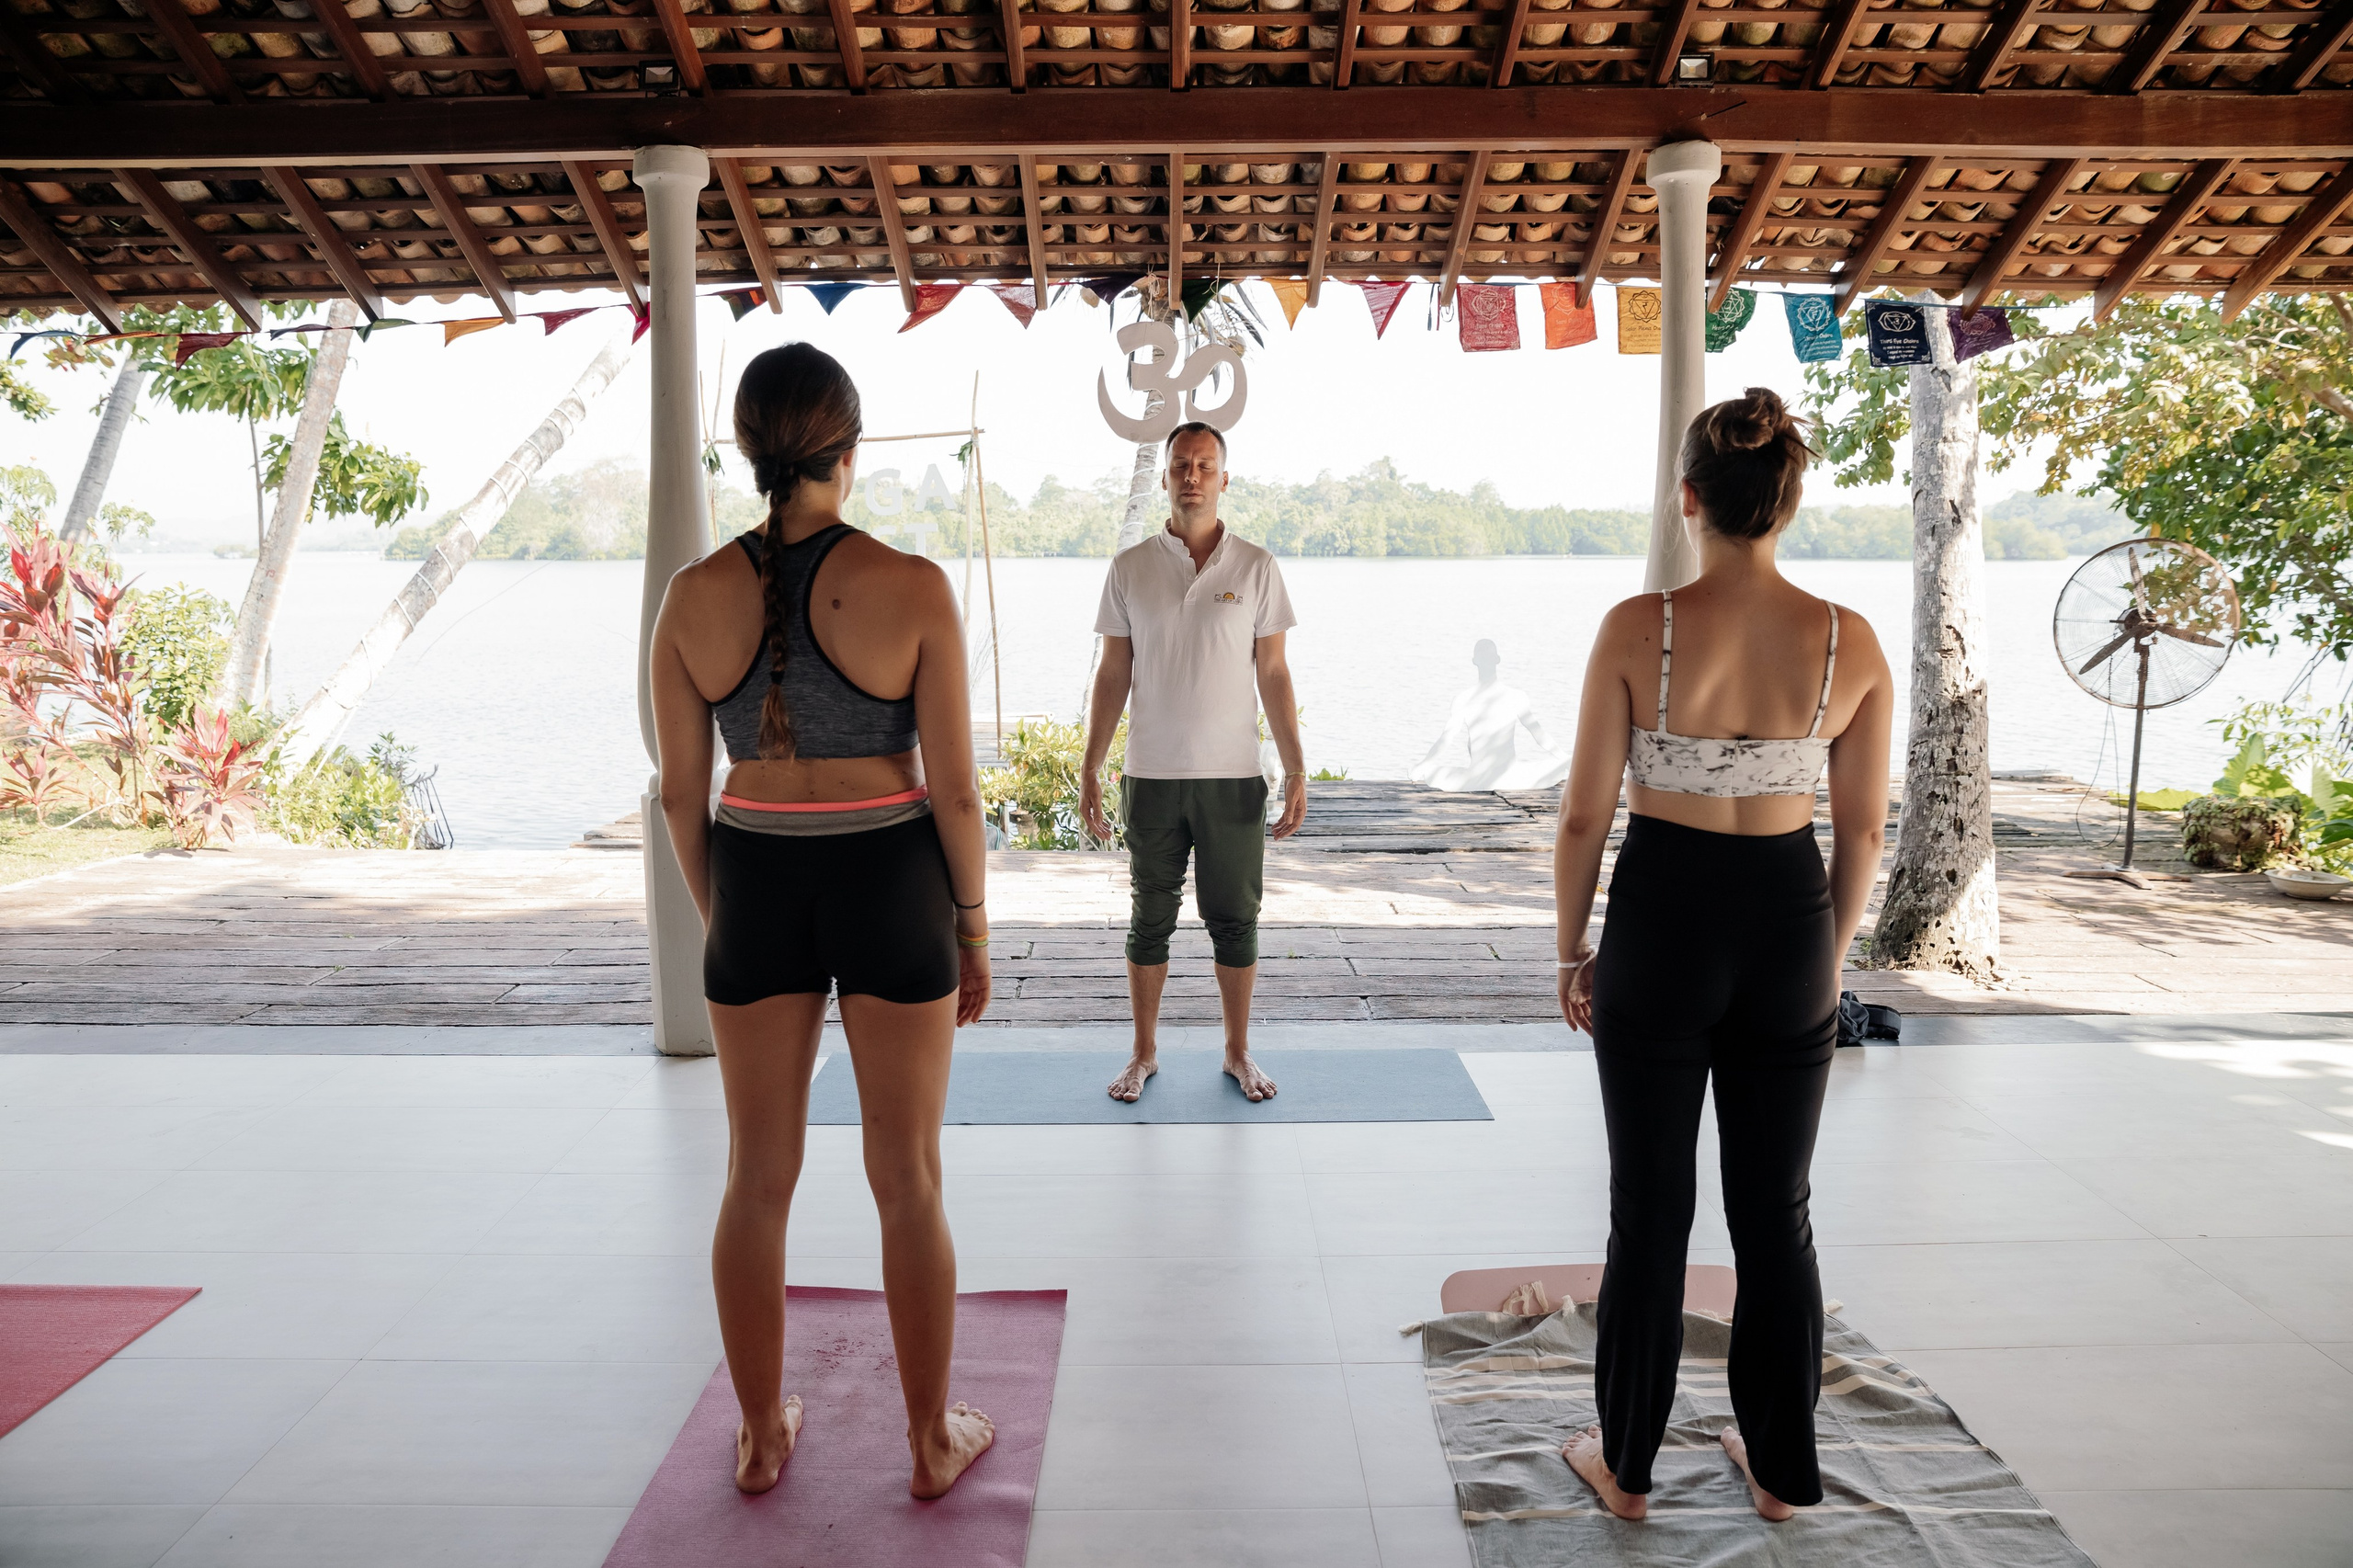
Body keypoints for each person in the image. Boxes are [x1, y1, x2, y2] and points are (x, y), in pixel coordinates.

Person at [648, 343, 995, 1501]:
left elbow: (676, 798)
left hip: (753, 877)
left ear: (749, 450)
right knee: (909, 1175)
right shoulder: (912, 584)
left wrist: (725, 917)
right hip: (891, 880)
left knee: (755, 1175)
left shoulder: (691, 596)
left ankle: (758, 1435)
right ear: (848, 448)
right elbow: (952, 790)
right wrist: (974, 926)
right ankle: (928, 1440)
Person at [1551, 388, 1893, 1523]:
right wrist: (1824, 956)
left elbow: (1580, 821)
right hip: (1789, 918)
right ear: (1786, 501)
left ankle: (1629, 1467)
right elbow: (1863, 831)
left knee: (1649, 1210)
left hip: (1662, 915)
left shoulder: (1634, 626)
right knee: (1775, 1211)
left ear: (1687, 496)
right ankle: (1785, 1473)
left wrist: (1571, 950)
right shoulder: (1850, 639)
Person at [1079, 421, 1307, 1104]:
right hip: (1150, 776)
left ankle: (1238, 1052)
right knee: (1149, 915)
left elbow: (1275, 674)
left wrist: (1295, 769)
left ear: (1224, 479)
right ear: (1166, 477)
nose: (1192, 475)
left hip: (1233, 777)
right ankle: (1143, 1054)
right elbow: (1113, 673)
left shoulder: (1256, 567)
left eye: (1205, 464)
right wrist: (1092, 766)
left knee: (1235, 918)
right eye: (1181, 464)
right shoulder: (1130, 568)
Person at [1410, 638, 1571, 791]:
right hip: (1506, 777)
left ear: (1474, 661)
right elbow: (1538, 734)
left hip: (1482, 778)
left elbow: (1446, 738)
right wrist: (1565, 759)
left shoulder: (1464, 699)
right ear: (1497, 659)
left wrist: (1423, 765)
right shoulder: (1514, 696)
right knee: (1555, 766)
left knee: (1432, 772)